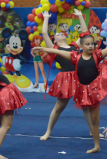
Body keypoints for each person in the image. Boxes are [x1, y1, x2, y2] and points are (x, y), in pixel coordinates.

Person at [32, 20, 107, 153]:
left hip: (86, 82)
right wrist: (43, 48)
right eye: (88, 44)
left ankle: (95, 137)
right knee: (59, 107)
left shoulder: (82, 49)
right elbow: (52, 46)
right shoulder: (66, 53)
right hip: (71, 80)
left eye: (92, 44)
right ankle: (48, 131)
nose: (91, 46)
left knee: (90, 113)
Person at [40, 9, 98, 141]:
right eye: (58, 34)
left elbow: (85, 35)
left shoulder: (74, 46)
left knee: (86, 107)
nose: (60, 33)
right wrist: (46, 18)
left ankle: (92, 131)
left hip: (79, 76)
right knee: (59, 107)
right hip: (65, 78)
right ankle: (48, 131)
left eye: (61, 33)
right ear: (54, 41)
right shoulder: (54, 49)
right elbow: (44, 33)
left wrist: (80, 17)